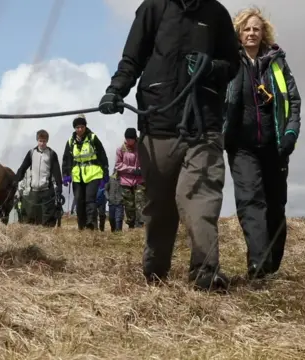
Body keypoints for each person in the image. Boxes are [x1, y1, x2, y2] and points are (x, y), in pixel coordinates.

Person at [97, 0, 241, 291]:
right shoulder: (153, 8)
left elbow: (233, 64)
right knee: (160, 207)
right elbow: (132, 59)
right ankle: (155, 271)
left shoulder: (217, 14)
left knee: (199, 198)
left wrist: (211, 67)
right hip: (158, 122)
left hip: (204, 126)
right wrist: (115, 91)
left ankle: (206, 272)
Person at [223, 7, 301, 280]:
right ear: (239, 33)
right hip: (241, 147)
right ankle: (258, 264)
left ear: (263, 32)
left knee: (275, 205)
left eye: (256, 28)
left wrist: (290, 134)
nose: (251, 33)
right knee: (250, 202)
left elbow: (292, 101)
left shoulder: (277, 62)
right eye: (246, 28)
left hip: (275, 145)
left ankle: (271, 262)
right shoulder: (230, 61)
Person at [61, 114, 109, 231]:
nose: (80, 129)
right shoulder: (71, 141)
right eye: (77, 127)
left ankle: (91, 226)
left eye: (82, 126)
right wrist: (65, 174)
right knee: (79, 201)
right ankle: (81, 226)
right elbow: (66, 159)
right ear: (75, 128)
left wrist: (105, 174)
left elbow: (102, 156)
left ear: (85, 127)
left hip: (93, 174)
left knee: (90, 200)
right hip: (77, 176)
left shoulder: (92, 138)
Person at [14, 129, 63, 227]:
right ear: (37, 140)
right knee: (32, 217)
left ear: (47, 141)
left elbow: (57, 172)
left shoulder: (52, 154)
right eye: (40, 141)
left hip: (47, 191)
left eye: (44, 141)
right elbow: (23, 167)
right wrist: (16, 180)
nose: (42, 143)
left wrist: (59, 186)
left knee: (47, 219)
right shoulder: (31, 153)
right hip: (34, 191)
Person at [115, 128, 146, 228]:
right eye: (127, 139)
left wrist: (142, 169)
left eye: (131, 139)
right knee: (129, 206)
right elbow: (118, 165)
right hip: (126, 181)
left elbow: (148, 160)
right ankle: (131, 225)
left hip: (139, 180)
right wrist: (132, 169)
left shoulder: (141, 148)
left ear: (135, 139)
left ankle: (140, 225)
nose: (129, 141)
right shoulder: (120, 149)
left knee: (140, 203)